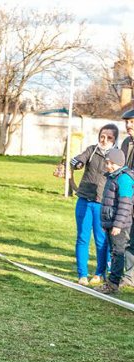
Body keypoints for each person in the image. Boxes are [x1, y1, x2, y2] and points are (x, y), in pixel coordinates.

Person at [70, 124, 117, 285]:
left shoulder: (115, 156)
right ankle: (82, 274)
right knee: (82, 237)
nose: (104, 140)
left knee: (101, 240)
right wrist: (76, 163)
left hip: (102, 203)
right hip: (84, 199)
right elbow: (79, 159)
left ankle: (100, 273)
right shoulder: (92, 150)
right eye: (102, 136)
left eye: (109, 137)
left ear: (114, 139)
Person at [95, 148, 133, 294]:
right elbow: (108, 203)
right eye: (107, 162)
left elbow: (125, 205)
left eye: (111, 163)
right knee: (113, 252)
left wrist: (117, 225)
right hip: (111, 223)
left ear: (119, 163)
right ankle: (112, 281)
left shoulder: (123, 178)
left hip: (120, 225)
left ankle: (113, 284)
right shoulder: (112, 177)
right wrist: (107, 223)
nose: (108, 166)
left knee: (117, 253)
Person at [118, 109, 134, 288]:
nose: (128, 125)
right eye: (127, 122)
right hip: (128, 199)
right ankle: (130, 276)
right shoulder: (126, 143)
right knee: (130, 239)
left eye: (132, 122)